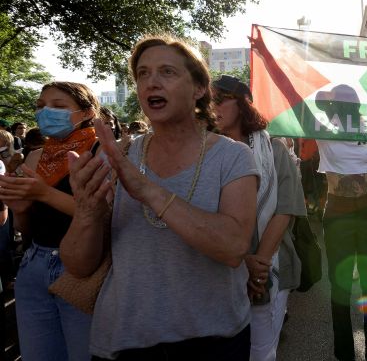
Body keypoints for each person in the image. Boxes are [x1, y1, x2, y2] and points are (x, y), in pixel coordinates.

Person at [60, 35, 258, 360]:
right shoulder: (116, 156)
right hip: (123, 340)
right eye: (143, 73)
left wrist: (149, 191)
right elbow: (78, 266)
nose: (152, 81)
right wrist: (87, 211)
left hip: (213, 340)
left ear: (198, 89)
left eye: (167, 72)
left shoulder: (233, 157)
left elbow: (234, 247)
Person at [0, 81, 101, 361]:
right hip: (33, 265)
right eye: (41, 106)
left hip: (82, 272)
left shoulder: (101, 152)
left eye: (58, 106)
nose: (46, 113)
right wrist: (20, 210)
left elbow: (101, 216)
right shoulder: (34, 157)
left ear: (86, 113)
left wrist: (43, 193)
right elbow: (26, 230)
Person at [211, 75, 306, 361]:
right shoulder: (205, 152)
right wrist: (242, 262)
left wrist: (259, 264)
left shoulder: (275, 149)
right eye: (206, 101)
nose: (211, 107)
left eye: (220, 99)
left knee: (261, 351)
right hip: (220, 268)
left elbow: (285, 208)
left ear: (242, 105)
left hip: (271, 265)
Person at [315, 86, 367, 361]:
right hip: (342, 211)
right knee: (344, 285)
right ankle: (349, 352)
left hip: (362, 208)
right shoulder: (322, 126)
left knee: (365, 283)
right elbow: (297, 99)